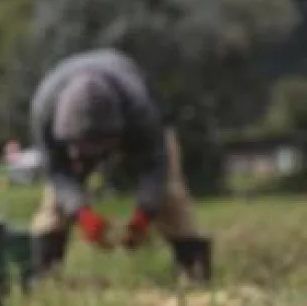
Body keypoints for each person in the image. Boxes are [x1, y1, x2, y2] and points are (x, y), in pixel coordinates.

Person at [29, 49, 211, 281]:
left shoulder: (139, 108)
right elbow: (57, 171)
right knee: (55, 203)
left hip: (137, 129)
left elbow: (155, 165)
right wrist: (81, 213)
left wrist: (144, 214)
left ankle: (194, 272)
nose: (93, 156)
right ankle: (44, 276)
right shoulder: (44, 111)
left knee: (170, 193)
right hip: (75, 134)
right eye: (83, 147)